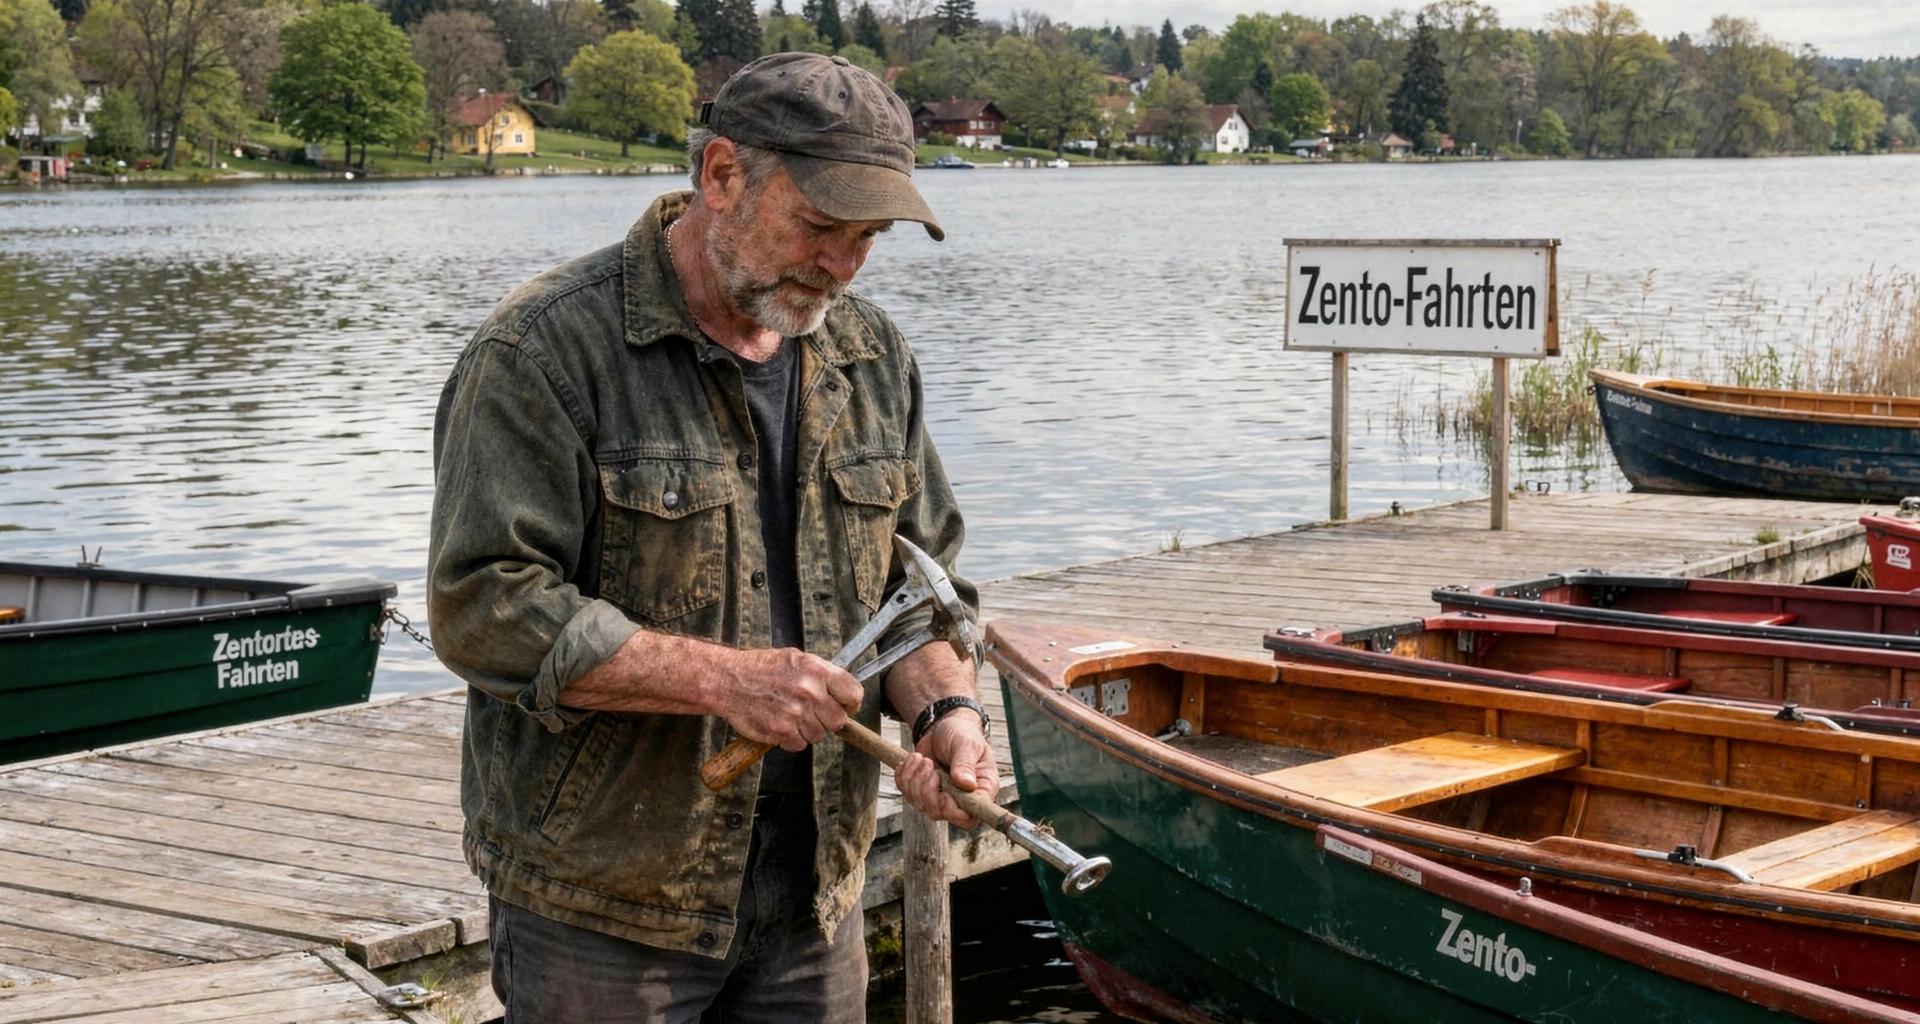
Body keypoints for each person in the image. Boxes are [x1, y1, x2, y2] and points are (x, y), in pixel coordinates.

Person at [427, 52, 994, 1023]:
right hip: (605, 904)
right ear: (722, 175)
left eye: (867, 238)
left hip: (815, 899)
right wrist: (723, 680)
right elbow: (486, 605)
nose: (842, 266)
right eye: (819, 226)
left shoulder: (873, 358)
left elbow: (921, 588)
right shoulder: (542, 353)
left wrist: (949, 714)